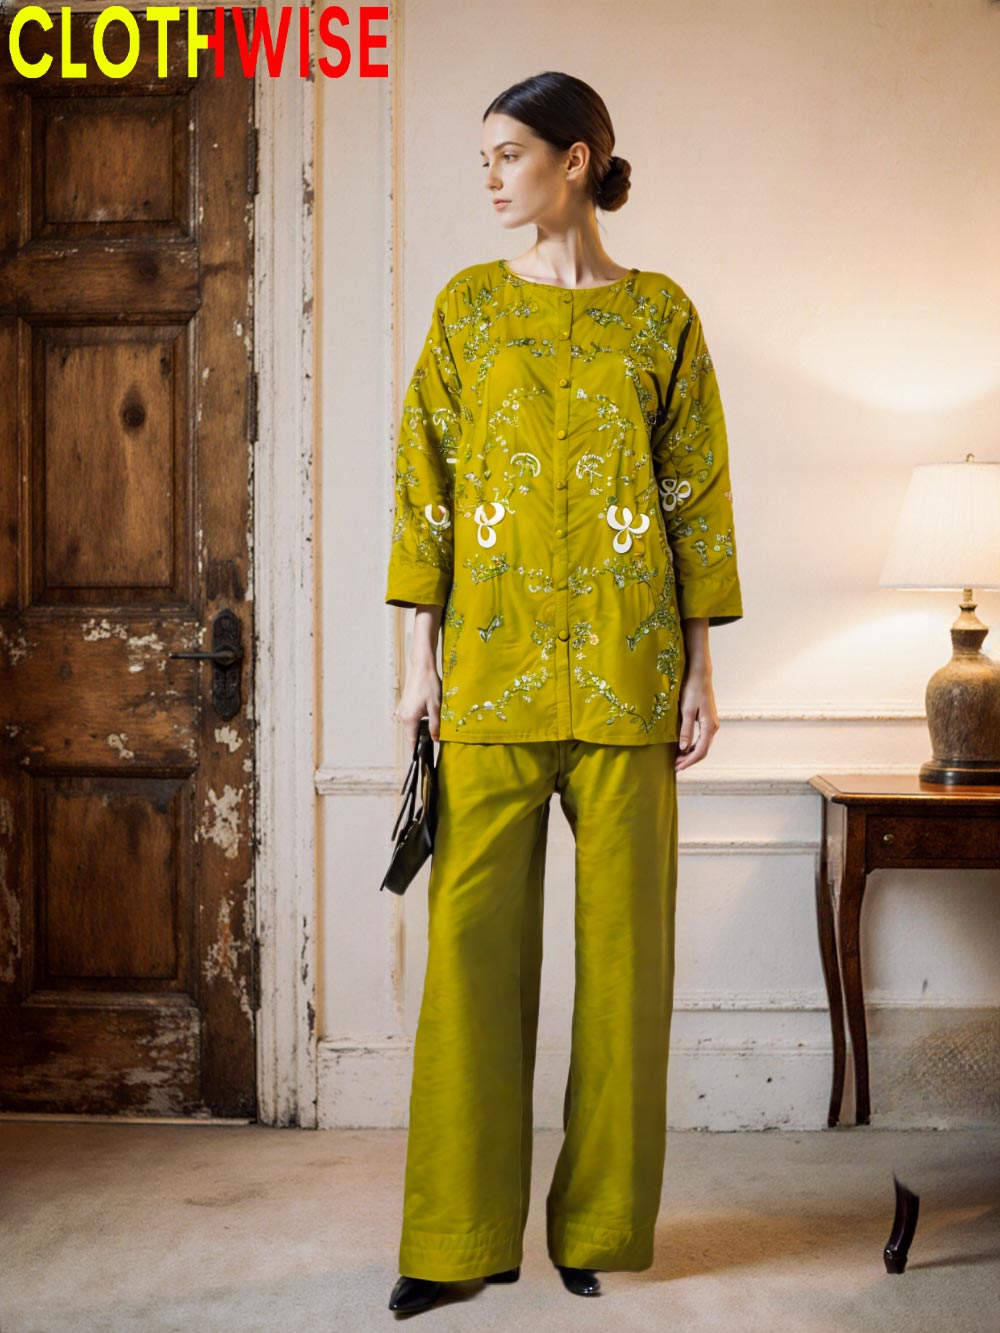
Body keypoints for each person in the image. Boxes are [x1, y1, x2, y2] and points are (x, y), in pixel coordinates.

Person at [384, 70, 743, 1315]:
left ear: (578, 160)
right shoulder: (468, 313)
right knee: (470, 963)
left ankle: (595, 1228)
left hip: (631, 679)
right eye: (481, 156)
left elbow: (695, 497)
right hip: (486, 680)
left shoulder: (662, 320)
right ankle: (452, 1240)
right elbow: (422, 488)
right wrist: (412, 665)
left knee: (625, 971)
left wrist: (703, 669)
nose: (489, 175)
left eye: (509, 153)